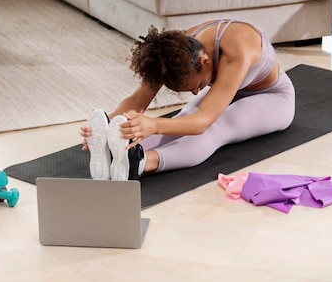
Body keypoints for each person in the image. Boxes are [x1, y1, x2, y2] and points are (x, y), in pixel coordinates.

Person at [80, 19, 296, 181]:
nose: (195, 93)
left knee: (215, 127)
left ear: (204, 61)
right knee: (184, 117)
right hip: (230, 92)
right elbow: (138, 99)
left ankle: (141, 163)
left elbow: (203, 120)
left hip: (272, 98)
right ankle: (119, 149)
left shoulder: (237, 49)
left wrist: (154, 124)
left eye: (197, 86)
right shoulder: (175, 53)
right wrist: (109, 124)